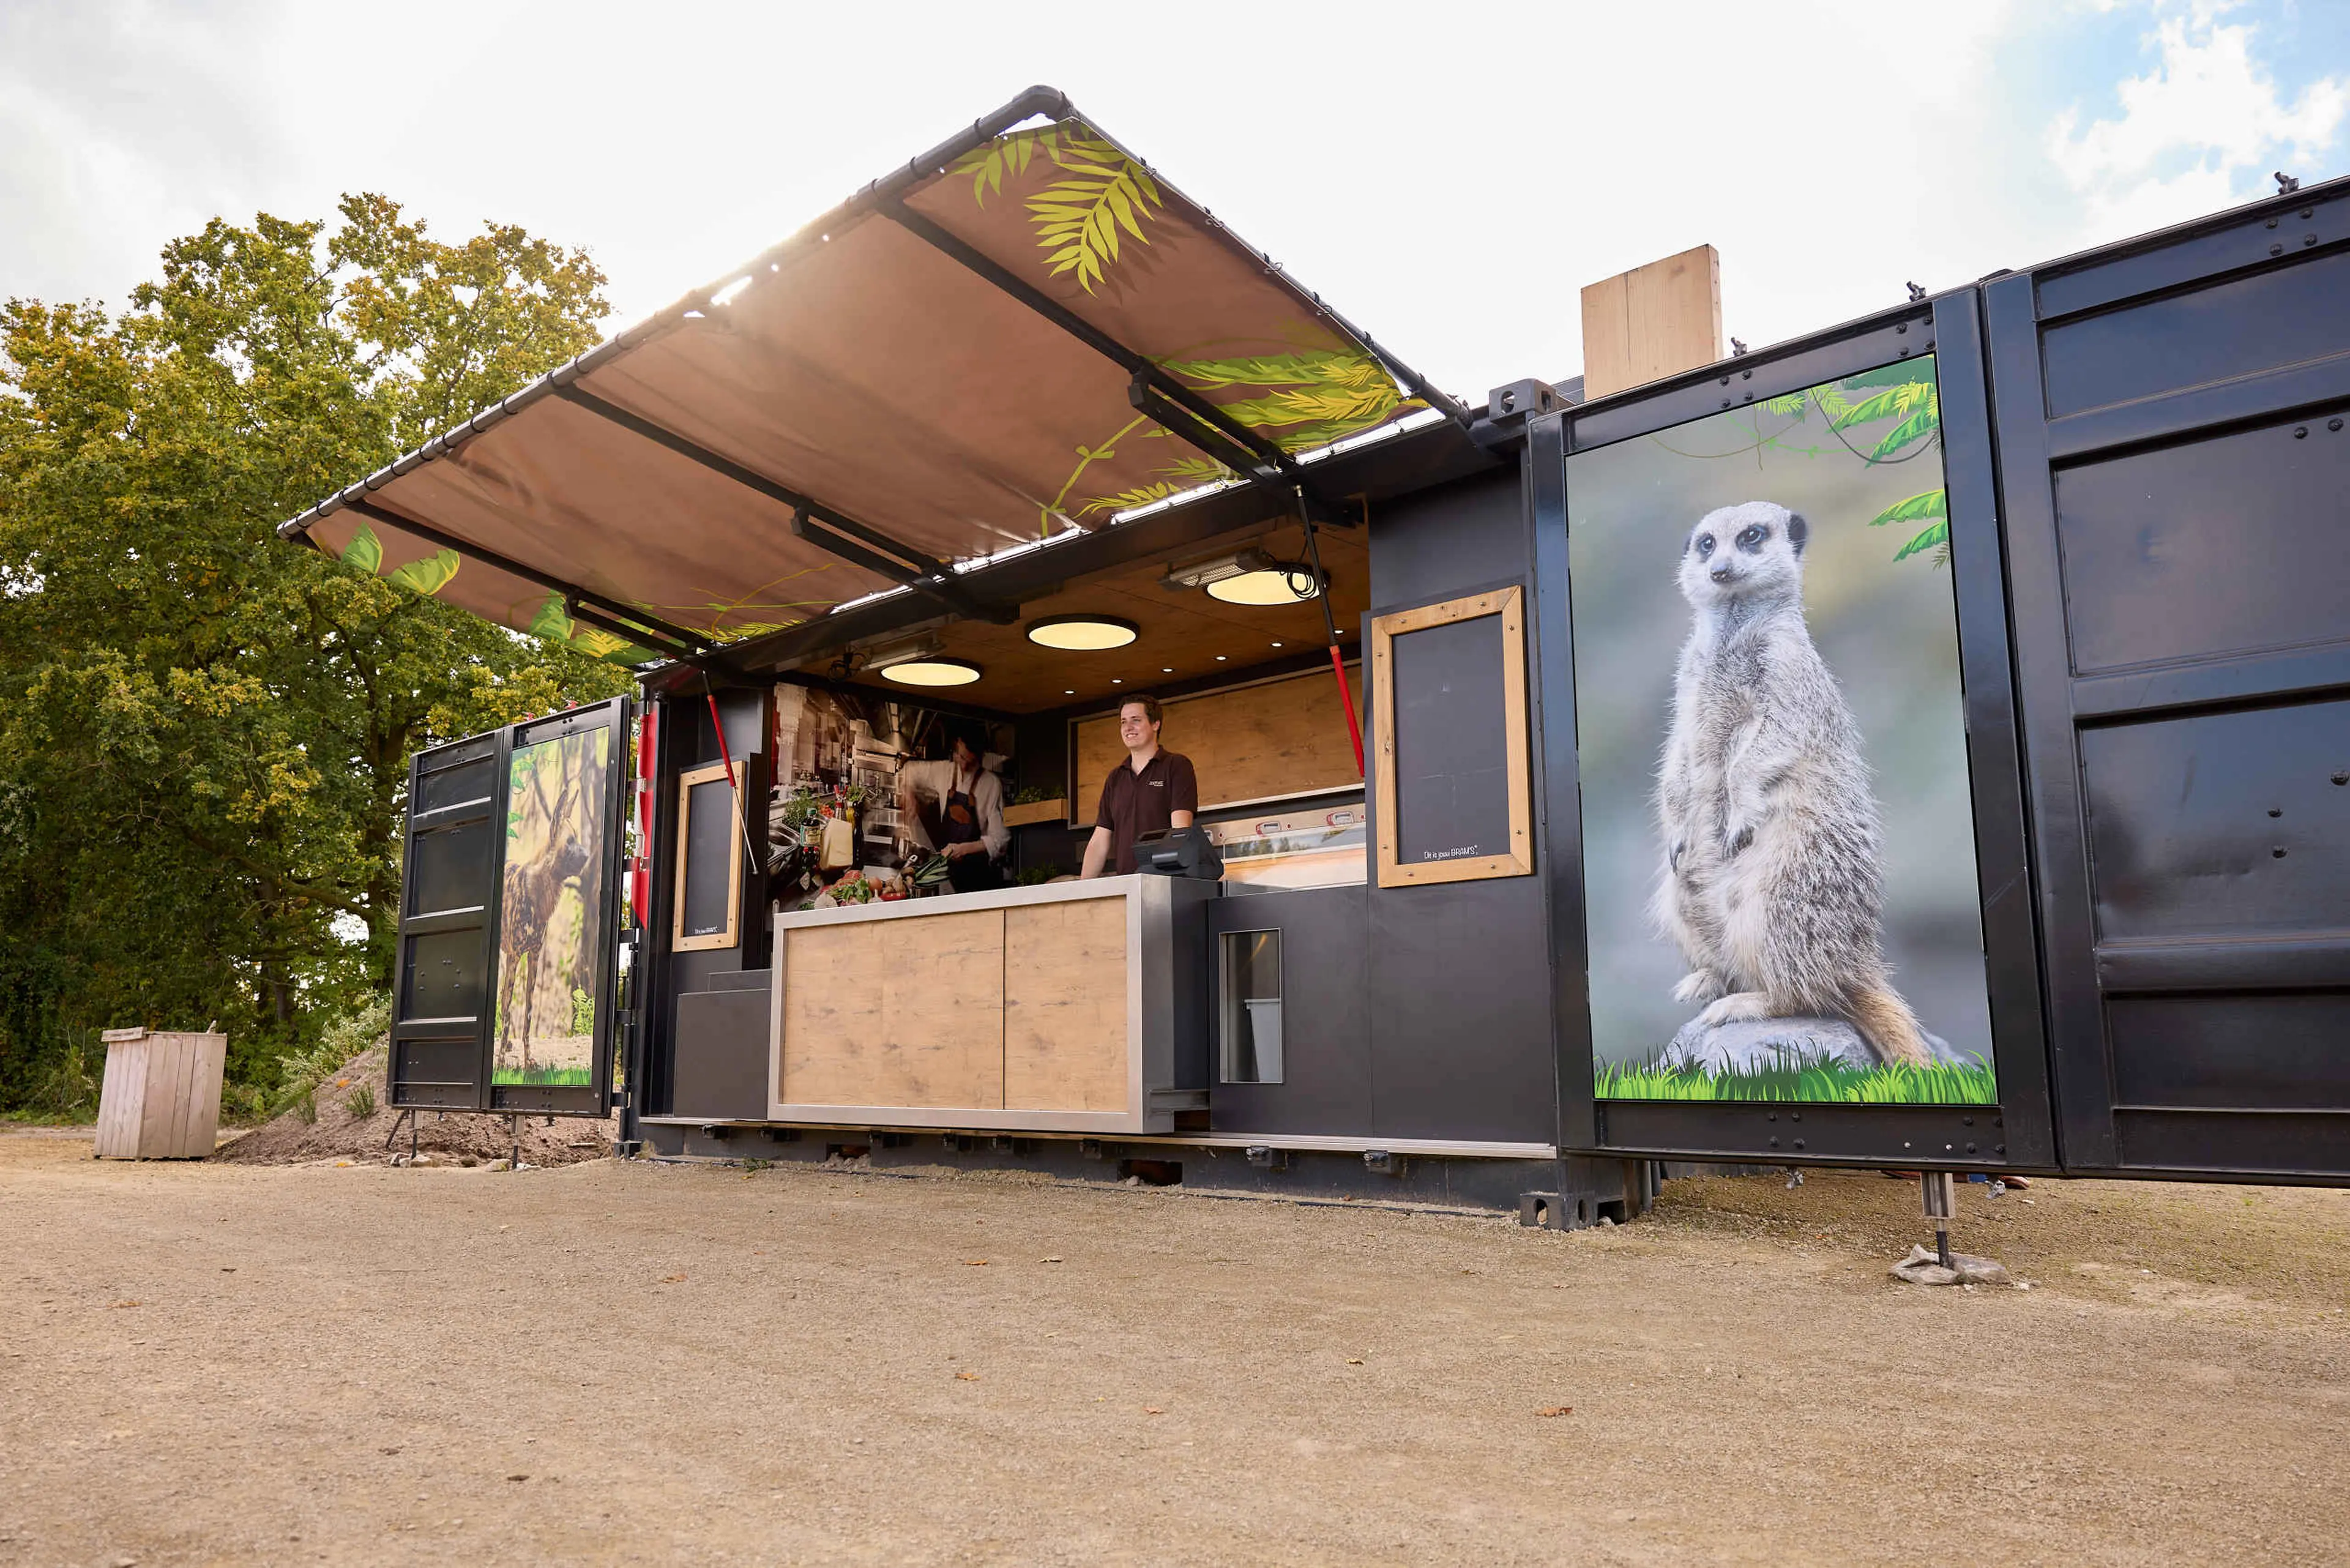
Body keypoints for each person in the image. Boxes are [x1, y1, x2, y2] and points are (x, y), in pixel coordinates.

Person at [1081, 696, 1198, 878]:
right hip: (1127, 884)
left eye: (1136, 720)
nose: (1128, 728)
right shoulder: (1115, 778)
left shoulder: (1176, 765)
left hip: (1165, 881)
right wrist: (1083, 891)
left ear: (1155, 724)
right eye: (1123, 722)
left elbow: (1180, 830)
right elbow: (1100, 840)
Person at [896, 723, 1007, 894]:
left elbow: (1000, 840)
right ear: (956, 749)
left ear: (979, 756)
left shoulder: (991, 785)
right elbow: (908, 771)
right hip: (946, 873)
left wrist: (963, 849)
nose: (963, 765)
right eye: (960, 757)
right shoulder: (945, 771)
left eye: (969, 761)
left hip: (978, 877)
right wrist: (908, 794)